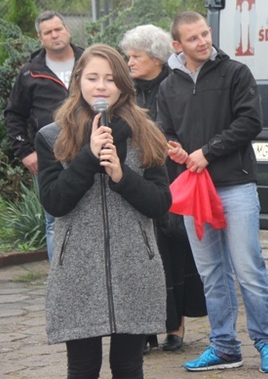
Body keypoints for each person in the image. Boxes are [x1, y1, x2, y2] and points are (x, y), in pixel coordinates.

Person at [34, 44, 172, 378]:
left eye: (110, 79)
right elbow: (54, 201)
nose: (101, 86)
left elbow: (160, 203)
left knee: (128, 366)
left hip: (134, 268)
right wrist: (86, 157)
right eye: (93, 77)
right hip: (78, 271)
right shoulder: (52, 136)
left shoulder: (147, 135)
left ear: (124, 85)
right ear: (78, 81)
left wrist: (122, 177)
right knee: (82, 367)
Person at [156, 11, 268, 373]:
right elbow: (164, 130)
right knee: (211, 272)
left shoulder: (235, 73)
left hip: (236, 185)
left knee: (248, 268)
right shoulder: (168, 86)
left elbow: (250, 122)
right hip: (195, 189)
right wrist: (174, 149)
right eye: (193, 38)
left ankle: (267, 344)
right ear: (177, 45)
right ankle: (225, 346)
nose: (203, 41)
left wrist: (206, 152)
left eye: (205, 33)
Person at [119, 25, 207, 355]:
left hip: (173, 178)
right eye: (128, 56)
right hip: (136, 181)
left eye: (135, 56)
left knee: (174, 253)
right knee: (143, 256)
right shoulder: (125, 89)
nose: (129, 62)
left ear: (155, 58)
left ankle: (175, 326)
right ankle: (145, 328)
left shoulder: (174, 85)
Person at [4, 10, 85, 262]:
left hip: (90, 150)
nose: (55, 35)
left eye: (58, 29)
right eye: (48, 32)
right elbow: (14, 115)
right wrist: (26, 152)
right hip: (50, 155)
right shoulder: (30, 73)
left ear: (67, 30)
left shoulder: (89, 61)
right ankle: (59, 279)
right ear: (40, 38)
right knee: (53, 220)